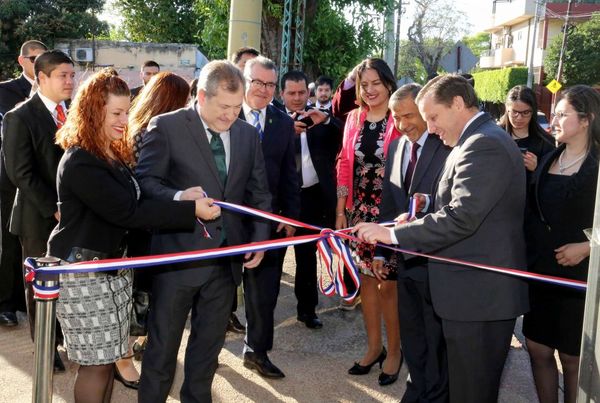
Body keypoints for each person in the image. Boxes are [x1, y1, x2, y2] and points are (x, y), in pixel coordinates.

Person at [355, 74, 529, 403]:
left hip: (479, 298)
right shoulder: (473, 140)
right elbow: (456, 208)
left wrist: (392, 233)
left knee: (472, 393)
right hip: (469, 296)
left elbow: (462, 216)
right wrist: (418, 218)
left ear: (459, 104)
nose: (430, 127)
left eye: (433, 117)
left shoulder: (484, 144)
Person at [47, 68, 219, 403]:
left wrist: (179, 197)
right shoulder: (81, 159)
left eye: (127, 111)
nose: (125, 120)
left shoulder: (109, 152)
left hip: (111, 270)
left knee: (107, 361)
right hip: (84, 274)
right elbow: (127, 213)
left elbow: (135, 200)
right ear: (92, 111)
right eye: (116, 113)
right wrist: (189, 211)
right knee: (95, 366)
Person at [136, 60, 272, 402]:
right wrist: (180, 198)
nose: (231, 116)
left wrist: (259, 240)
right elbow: (145, 183)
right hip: (177, 259)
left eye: (237, 107)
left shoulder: (246, 134)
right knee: (162, 350)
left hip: (226, 262)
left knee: (206, 353)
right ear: (200, 96)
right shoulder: (166, 126)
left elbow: (259, 193)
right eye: (224, 107)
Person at [523, 85, 600, 403]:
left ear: (586, 120)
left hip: (579, 278)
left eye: (561, 114)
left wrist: (587, 247)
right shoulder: (547, 157)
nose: (552, 120)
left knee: (572, 359)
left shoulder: (597, 166)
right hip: (541, 271)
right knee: (537, 348)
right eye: (552, 113)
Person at [1, 49, 75, 371]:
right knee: (40, 287)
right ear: (42, 77)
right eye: (63, 75)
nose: (70, 81)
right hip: (36, 218)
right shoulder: (19, 116)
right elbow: (20, 172)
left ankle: (67, 338)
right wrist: (54, 207)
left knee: (68, 281)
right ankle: (46, 348)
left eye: (72, 75)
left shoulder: (72, 112)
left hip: (72, 216)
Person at [376, 83, 451, 401]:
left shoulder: (447, 147)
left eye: (409, 115)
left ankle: (435, 394)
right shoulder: (395, 148)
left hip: (438, 262)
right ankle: (417, 386)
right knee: (412, 333)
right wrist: (381, 251)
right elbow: (389, 206)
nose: (403, 124)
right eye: (396, 118)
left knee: (437, 340)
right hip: (404, 260)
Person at [118, 71, 191, 388]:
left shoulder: (142, 128)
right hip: (145, 228)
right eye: (184, 100)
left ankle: (143, 342)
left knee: (147, 292)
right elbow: (147, 184)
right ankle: (124, 358)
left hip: (152, 225)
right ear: (171, 102)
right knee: (139, 293)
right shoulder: (148, 133)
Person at [335, 58, 402, 385]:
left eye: (376, 83)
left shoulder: (400, 118)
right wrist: (340, 210)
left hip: (390, 212)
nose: (370, 90)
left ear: (389, 83)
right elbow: (344, 163)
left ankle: (395, 352)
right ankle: (374, 347)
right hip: (358, 212)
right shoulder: (353, 119)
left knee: (388, 284)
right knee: (366, 283)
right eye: (364, 85)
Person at [238, 55, 300, 378]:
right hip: (227, 221)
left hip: (271, 223)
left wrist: (290, 216)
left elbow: (290, 174)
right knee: (217, 292)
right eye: (257, 82)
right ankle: (206, 353)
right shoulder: (226, 114)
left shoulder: (283, 122)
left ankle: (256, 351)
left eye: (270, 84)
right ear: (244, 80)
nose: (263, 90)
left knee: (265, 295)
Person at [279, 70, 343, 329]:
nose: (297, 98)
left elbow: (343, 135)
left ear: (310, 93)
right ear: (281, 93)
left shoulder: (320, 118)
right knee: (274, 258)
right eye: (291, 93)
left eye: (302, 92)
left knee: (306, 258)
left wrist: (326, 121)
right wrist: (286, 131)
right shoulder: (273, 121)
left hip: (313, 199)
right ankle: (262, 312)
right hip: (281, 202)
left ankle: (307, 310)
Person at [0, 39, 47, 327]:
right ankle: (6, 302)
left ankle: (28, 302)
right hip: (11, 177)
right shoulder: (5, 91)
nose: (38, 62)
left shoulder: (59, 93)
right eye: (34, 59)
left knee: (38, 246)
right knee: (8, 241)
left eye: (43, 58)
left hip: (43, 181)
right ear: (22, 61)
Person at [499, 85, 555, 176]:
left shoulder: (546, 142)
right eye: (514, 112)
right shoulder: (495, 136)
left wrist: (537, 168)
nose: (519, 118)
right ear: (507, 109)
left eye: (525, 113)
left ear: (533, 111)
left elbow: (551, 181)